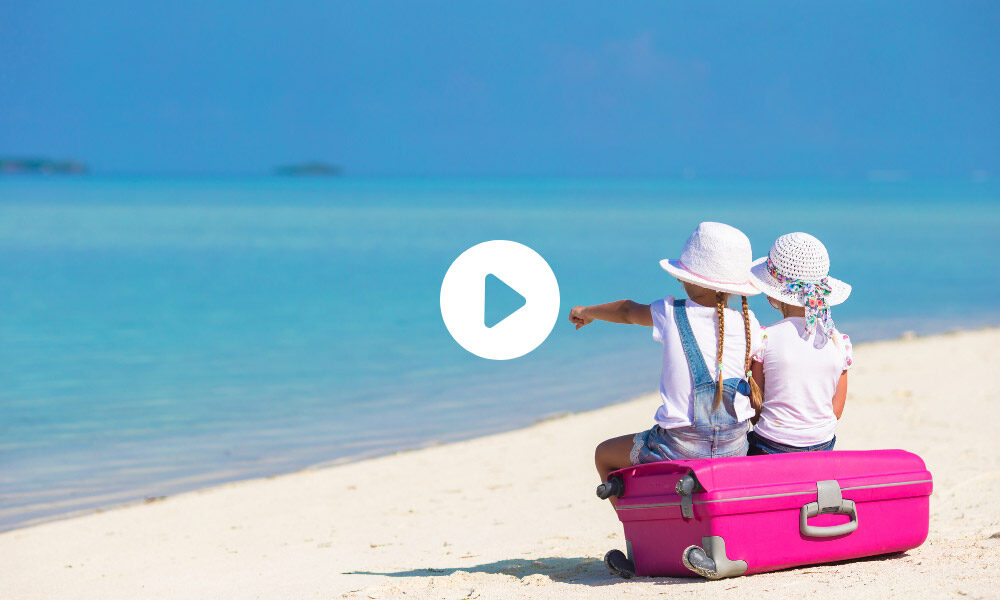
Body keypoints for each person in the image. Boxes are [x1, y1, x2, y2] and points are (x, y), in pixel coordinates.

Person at [570, 221, 764, 489]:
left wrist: (586, 312)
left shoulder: (671, 313)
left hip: (678, 447)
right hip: (735, 446)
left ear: (686, 278)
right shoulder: (749, 323)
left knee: (604, 455)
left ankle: (637, 517)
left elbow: (627, 311)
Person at [746, 232, 853, 455]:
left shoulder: (765, 338)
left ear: (772, 295)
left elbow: (756, 408)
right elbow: (836, 410)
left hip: (771, 444)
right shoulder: (839, 342)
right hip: (823, 444)